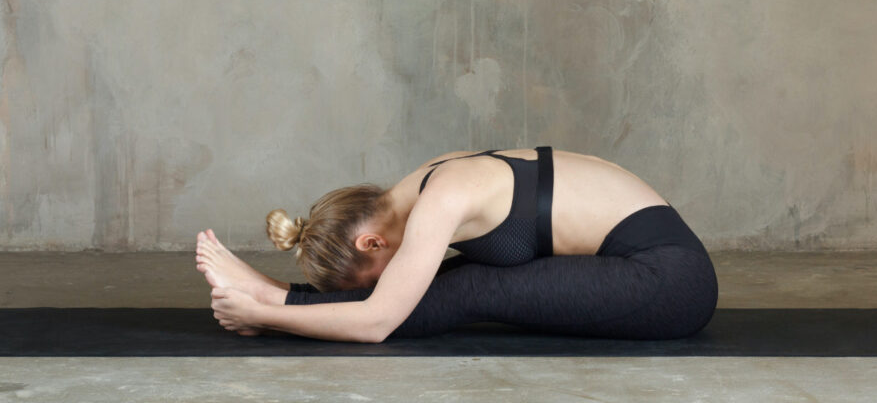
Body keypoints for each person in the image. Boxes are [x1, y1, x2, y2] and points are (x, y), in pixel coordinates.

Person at [194, 146, 718, 343]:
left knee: (471, 287)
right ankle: (278, 291)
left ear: (372, 240)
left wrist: (267, 316)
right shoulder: (429, 176)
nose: (390, 278)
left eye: (377, 271)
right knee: (457, 279)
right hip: (637, 264)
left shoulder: (442, 198)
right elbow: (399, 295)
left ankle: (271, 299)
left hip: (670, 283)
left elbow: (379, 321)